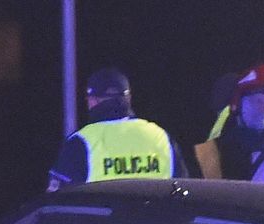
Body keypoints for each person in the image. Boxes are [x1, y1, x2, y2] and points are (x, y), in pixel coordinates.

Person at [48, 67, 186, 190]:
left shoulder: (81, 142)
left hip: (103, 219)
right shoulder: (160, 136)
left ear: (92, 100)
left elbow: (58, 200)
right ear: (129, 98)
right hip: (156, 218)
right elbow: (183, 189)